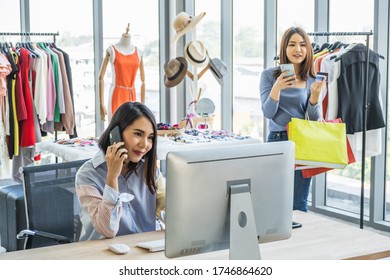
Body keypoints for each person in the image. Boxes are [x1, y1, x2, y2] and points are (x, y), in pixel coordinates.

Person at [75, 102, 165, 241]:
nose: (144, 144)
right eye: (138, 134)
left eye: (150, 137)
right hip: (102, 253)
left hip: (146, 249)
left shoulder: (148, 168)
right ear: (115, 134)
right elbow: (107, 229)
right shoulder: (87, 175)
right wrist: (112, 177)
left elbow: (170, 206)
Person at [259, 27, 326, 212]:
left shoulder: (312, 78)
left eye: (303, 45)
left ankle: (301, 240)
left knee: (299, 202)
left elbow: (314, 119)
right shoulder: (269, 75)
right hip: (277, 140)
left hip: (302, 142)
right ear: (284, 48)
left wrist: (314, 97)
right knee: (274, 198)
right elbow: (268, 113)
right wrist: (277, 88)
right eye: (292, 44)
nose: (298, 49)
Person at [98, 24, 145, 122]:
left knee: (131, 125)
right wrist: (101, 103)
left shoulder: (139, 52)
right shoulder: (112, 50)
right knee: (116, 127)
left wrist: (143, 105)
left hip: (132, 95)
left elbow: (143, 81)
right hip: (117, 93)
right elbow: (100, 77)